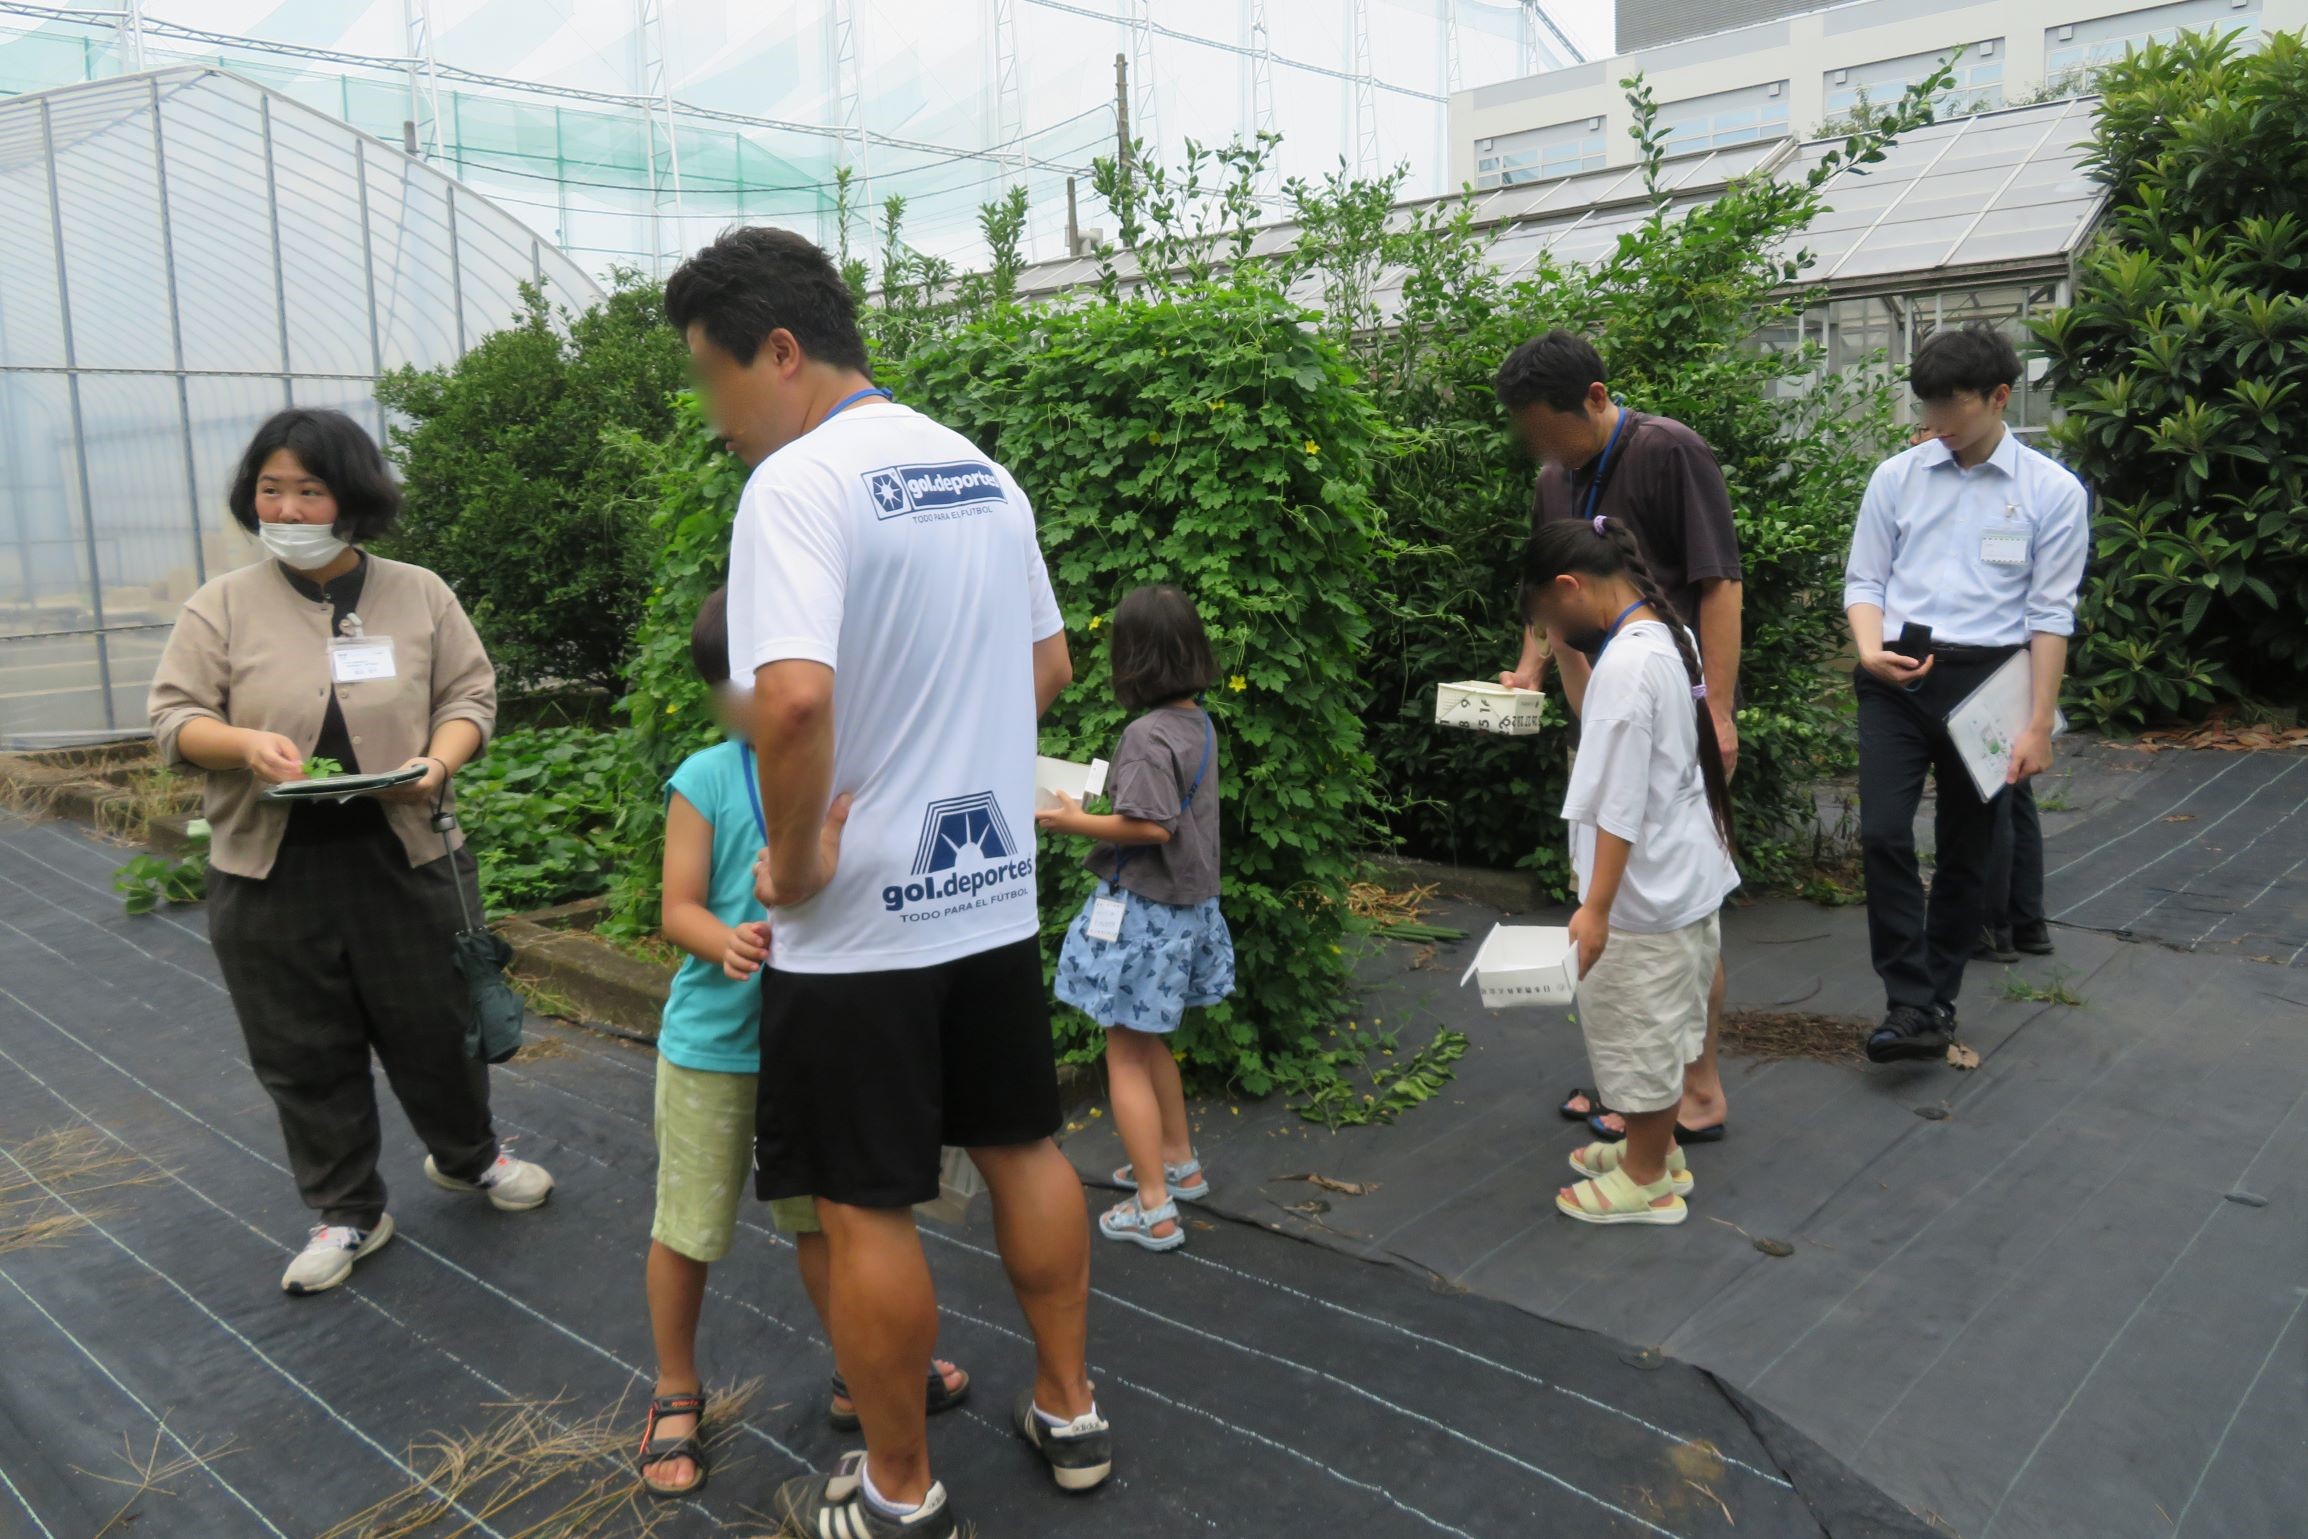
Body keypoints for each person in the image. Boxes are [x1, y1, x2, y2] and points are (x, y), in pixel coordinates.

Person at [665, 227, 1096, 1539]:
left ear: (779, 352)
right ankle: (1071, 1409)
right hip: (987, 891)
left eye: (709, 378)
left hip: (857, 923)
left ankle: (902, 1487)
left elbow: (788, 702)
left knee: (864, 1199)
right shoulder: (980, 471)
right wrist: (947, 760)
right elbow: (1052, 666)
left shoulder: (799, 486)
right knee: (1021, 1142)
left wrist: (793, 859)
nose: (713, 414)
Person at [148, 408, 552, 1297]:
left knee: (436, 1023)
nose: (288, 511)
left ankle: (469, 1156)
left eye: (309, 489)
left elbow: (470, 696)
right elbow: (176, 719)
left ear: (353, 497)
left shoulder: (418, 593)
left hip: (403, 853)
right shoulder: (220, 606)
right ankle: (347, 1210)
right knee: (301, 1045)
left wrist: (436, 764)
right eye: (271, 490)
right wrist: (246, 746)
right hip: (269, 867)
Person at [635, 587, 971, 1499]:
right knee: (690, 1225)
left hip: (813, 1041)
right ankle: (675, 1386)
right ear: (721, 694)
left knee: (826, 1225)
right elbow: (677, 908)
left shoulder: (840, 768)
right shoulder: (705, 777)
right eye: (743, 684)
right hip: (714, 1044)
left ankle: (860, 1375)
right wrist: (726, 939)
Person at [1494, 331, 1741, 1145]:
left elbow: (1719, 584)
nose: (1543, 450)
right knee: (1624, 896)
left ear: (1595, 398)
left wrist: (1721, 714)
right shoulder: (1552, 478)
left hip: (1669, 705)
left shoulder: (1671, 452)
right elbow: (1548, 585)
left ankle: (1690, 1089)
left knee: (1668, 901)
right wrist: (1531, 667)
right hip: (1603, 706)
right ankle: (1641, 1087)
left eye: (1548, 429)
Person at [1843, 324, 2088, 1062]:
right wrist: (1867, 649)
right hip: (1897, 674)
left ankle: (1928, 1004)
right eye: (1928, 407)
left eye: (1953, 408)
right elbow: (1865, 581)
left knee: (1967, 849)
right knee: (1884, 833)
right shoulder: (1898, 476)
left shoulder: (2051, 492)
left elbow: (2050, 614)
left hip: (1989, 682)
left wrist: (2039, 722)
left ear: (1999, 397)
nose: (1937, 424)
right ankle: (1909, 993)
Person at [1519, 516, 1739, 1227]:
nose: (1554, 634)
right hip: (1684, 876)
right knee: (1670, 1027)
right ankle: (1658, 1150)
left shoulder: (1626, 665)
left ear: (1568, 586)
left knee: (1639, 1032)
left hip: (1644, 895)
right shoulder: (1662, 638)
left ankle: (1645, 1175)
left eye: (1549, 617)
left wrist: (1596, 906)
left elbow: (1618, 802)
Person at [1039, 584, 1235, 1254]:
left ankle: (1153, 1206)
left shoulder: (1147, 735)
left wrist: (1070, 820)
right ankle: (1178, 1163)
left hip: (1143, 919)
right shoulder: (1196, 723)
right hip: (1184, 912)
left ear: (1132, 657)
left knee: (1122, 1055)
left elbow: (1150, 824)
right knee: (1150, 1044)